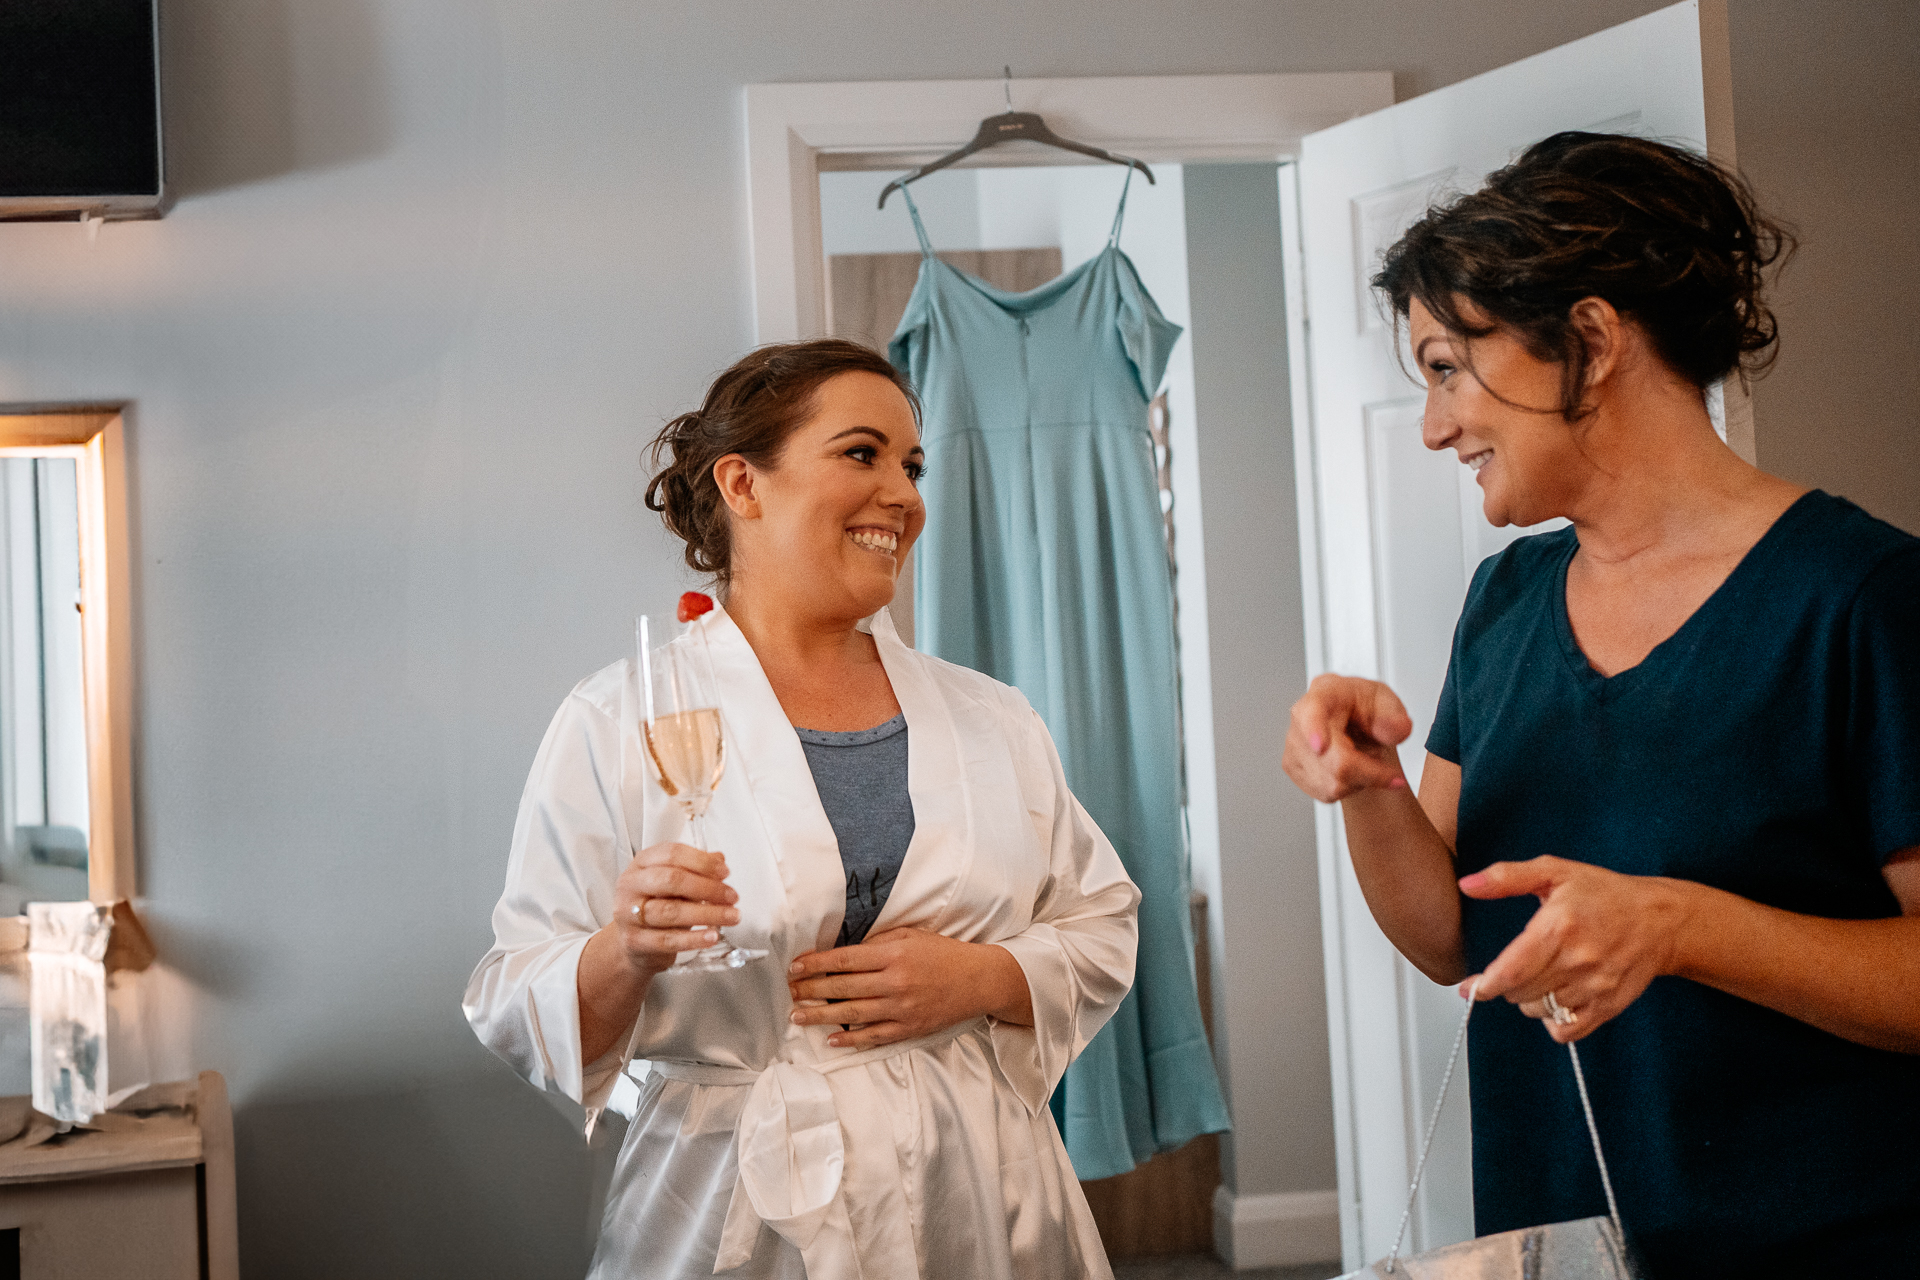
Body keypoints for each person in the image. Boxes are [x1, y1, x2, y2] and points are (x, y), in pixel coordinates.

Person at [1282, 133, 1920, 1275]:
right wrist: (1369, 788)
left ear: (1589, 339)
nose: (1433, 426)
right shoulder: (1509, 598)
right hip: (1557, 1242)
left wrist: (1678, 926)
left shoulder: (1862, 598)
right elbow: (1451, 936)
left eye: (1446, 367)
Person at [463, 339, 1140, 1279]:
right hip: (732, 1205)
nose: (903, 495)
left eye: (912, 465)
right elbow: (512, 995)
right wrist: (628, 948)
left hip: (979, 1189)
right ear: (743, 483)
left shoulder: (992, 717)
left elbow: (1102, 921)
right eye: (862, 454)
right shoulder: (618, 720)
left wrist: (984, 979)